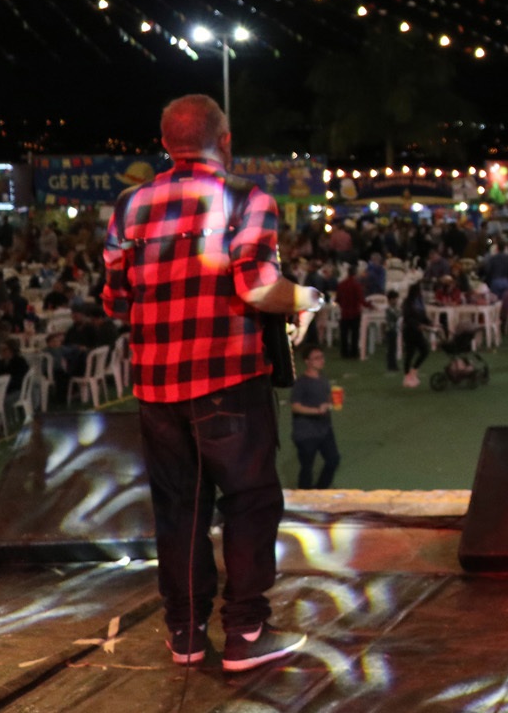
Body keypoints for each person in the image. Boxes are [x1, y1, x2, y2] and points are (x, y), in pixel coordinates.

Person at [102, 94, 321, 671]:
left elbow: (115, 300)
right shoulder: (247, 198)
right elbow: (258, 287)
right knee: (249, 501)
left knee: (180, 508)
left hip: (156, 389)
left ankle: (186, 632)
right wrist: (307, 297)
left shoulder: (129, 205)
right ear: (224, 141)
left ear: (165, 143)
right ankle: (246, 631)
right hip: (229, 380)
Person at [289, 344, 341, 489]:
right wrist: (317, 411)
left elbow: (325, 400)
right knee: (307, 468)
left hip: (324, 429)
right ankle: (304, 495)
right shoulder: (301, 383)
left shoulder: (323, 379)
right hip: (306, 433)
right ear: (307, 361)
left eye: (322, 357)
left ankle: (320, 490)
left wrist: (333, 400)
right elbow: (295, 406)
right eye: (316, 358)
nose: (321, 360)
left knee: (333, 459)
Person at [401, 282, 434, 388]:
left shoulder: (420, 302)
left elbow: (423, 316)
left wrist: (430, 323)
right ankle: (407, 376)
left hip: (418, 331)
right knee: (410, 354)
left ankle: (414, 370)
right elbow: (407, 318)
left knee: (425, 350)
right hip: (409, 331)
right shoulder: (407, 302)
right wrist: (417, 325)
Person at [335, 264, 364, 360]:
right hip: (355, 312)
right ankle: (354, 352)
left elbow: (338, 299)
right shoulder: (357, 285)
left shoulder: (341, 284)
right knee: (355, 334)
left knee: (344, 334)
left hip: (344, 313)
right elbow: (361, 299)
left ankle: (344, 352)